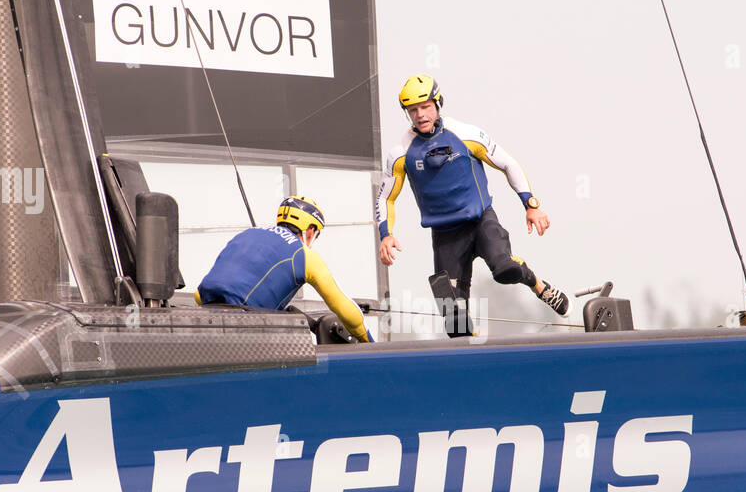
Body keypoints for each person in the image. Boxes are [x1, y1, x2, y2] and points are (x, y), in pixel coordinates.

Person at [375, 74, 569, 337]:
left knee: (505, 269)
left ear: (438, 103)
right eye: (412, 110)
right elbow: (386, 197)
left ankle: (540, 286)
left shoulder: (466, 134)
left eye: (425, 107)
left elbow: (507, 164)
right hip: (445, 236)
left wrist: (531, 205)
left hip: (481, 221)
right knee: (454, 320)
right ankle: (471, 356)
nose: (420, 115)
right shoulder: (400, 152)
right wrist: (385, 235)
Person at [196, 196, 372, 342]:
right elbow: (346, 310)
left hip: (202, 323)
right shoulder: (302, 254)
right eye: (316, 233)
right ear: (310, 230)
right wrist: (369, 343)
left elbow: (199, 294)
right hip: (242, 331)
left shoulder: (246, 234)